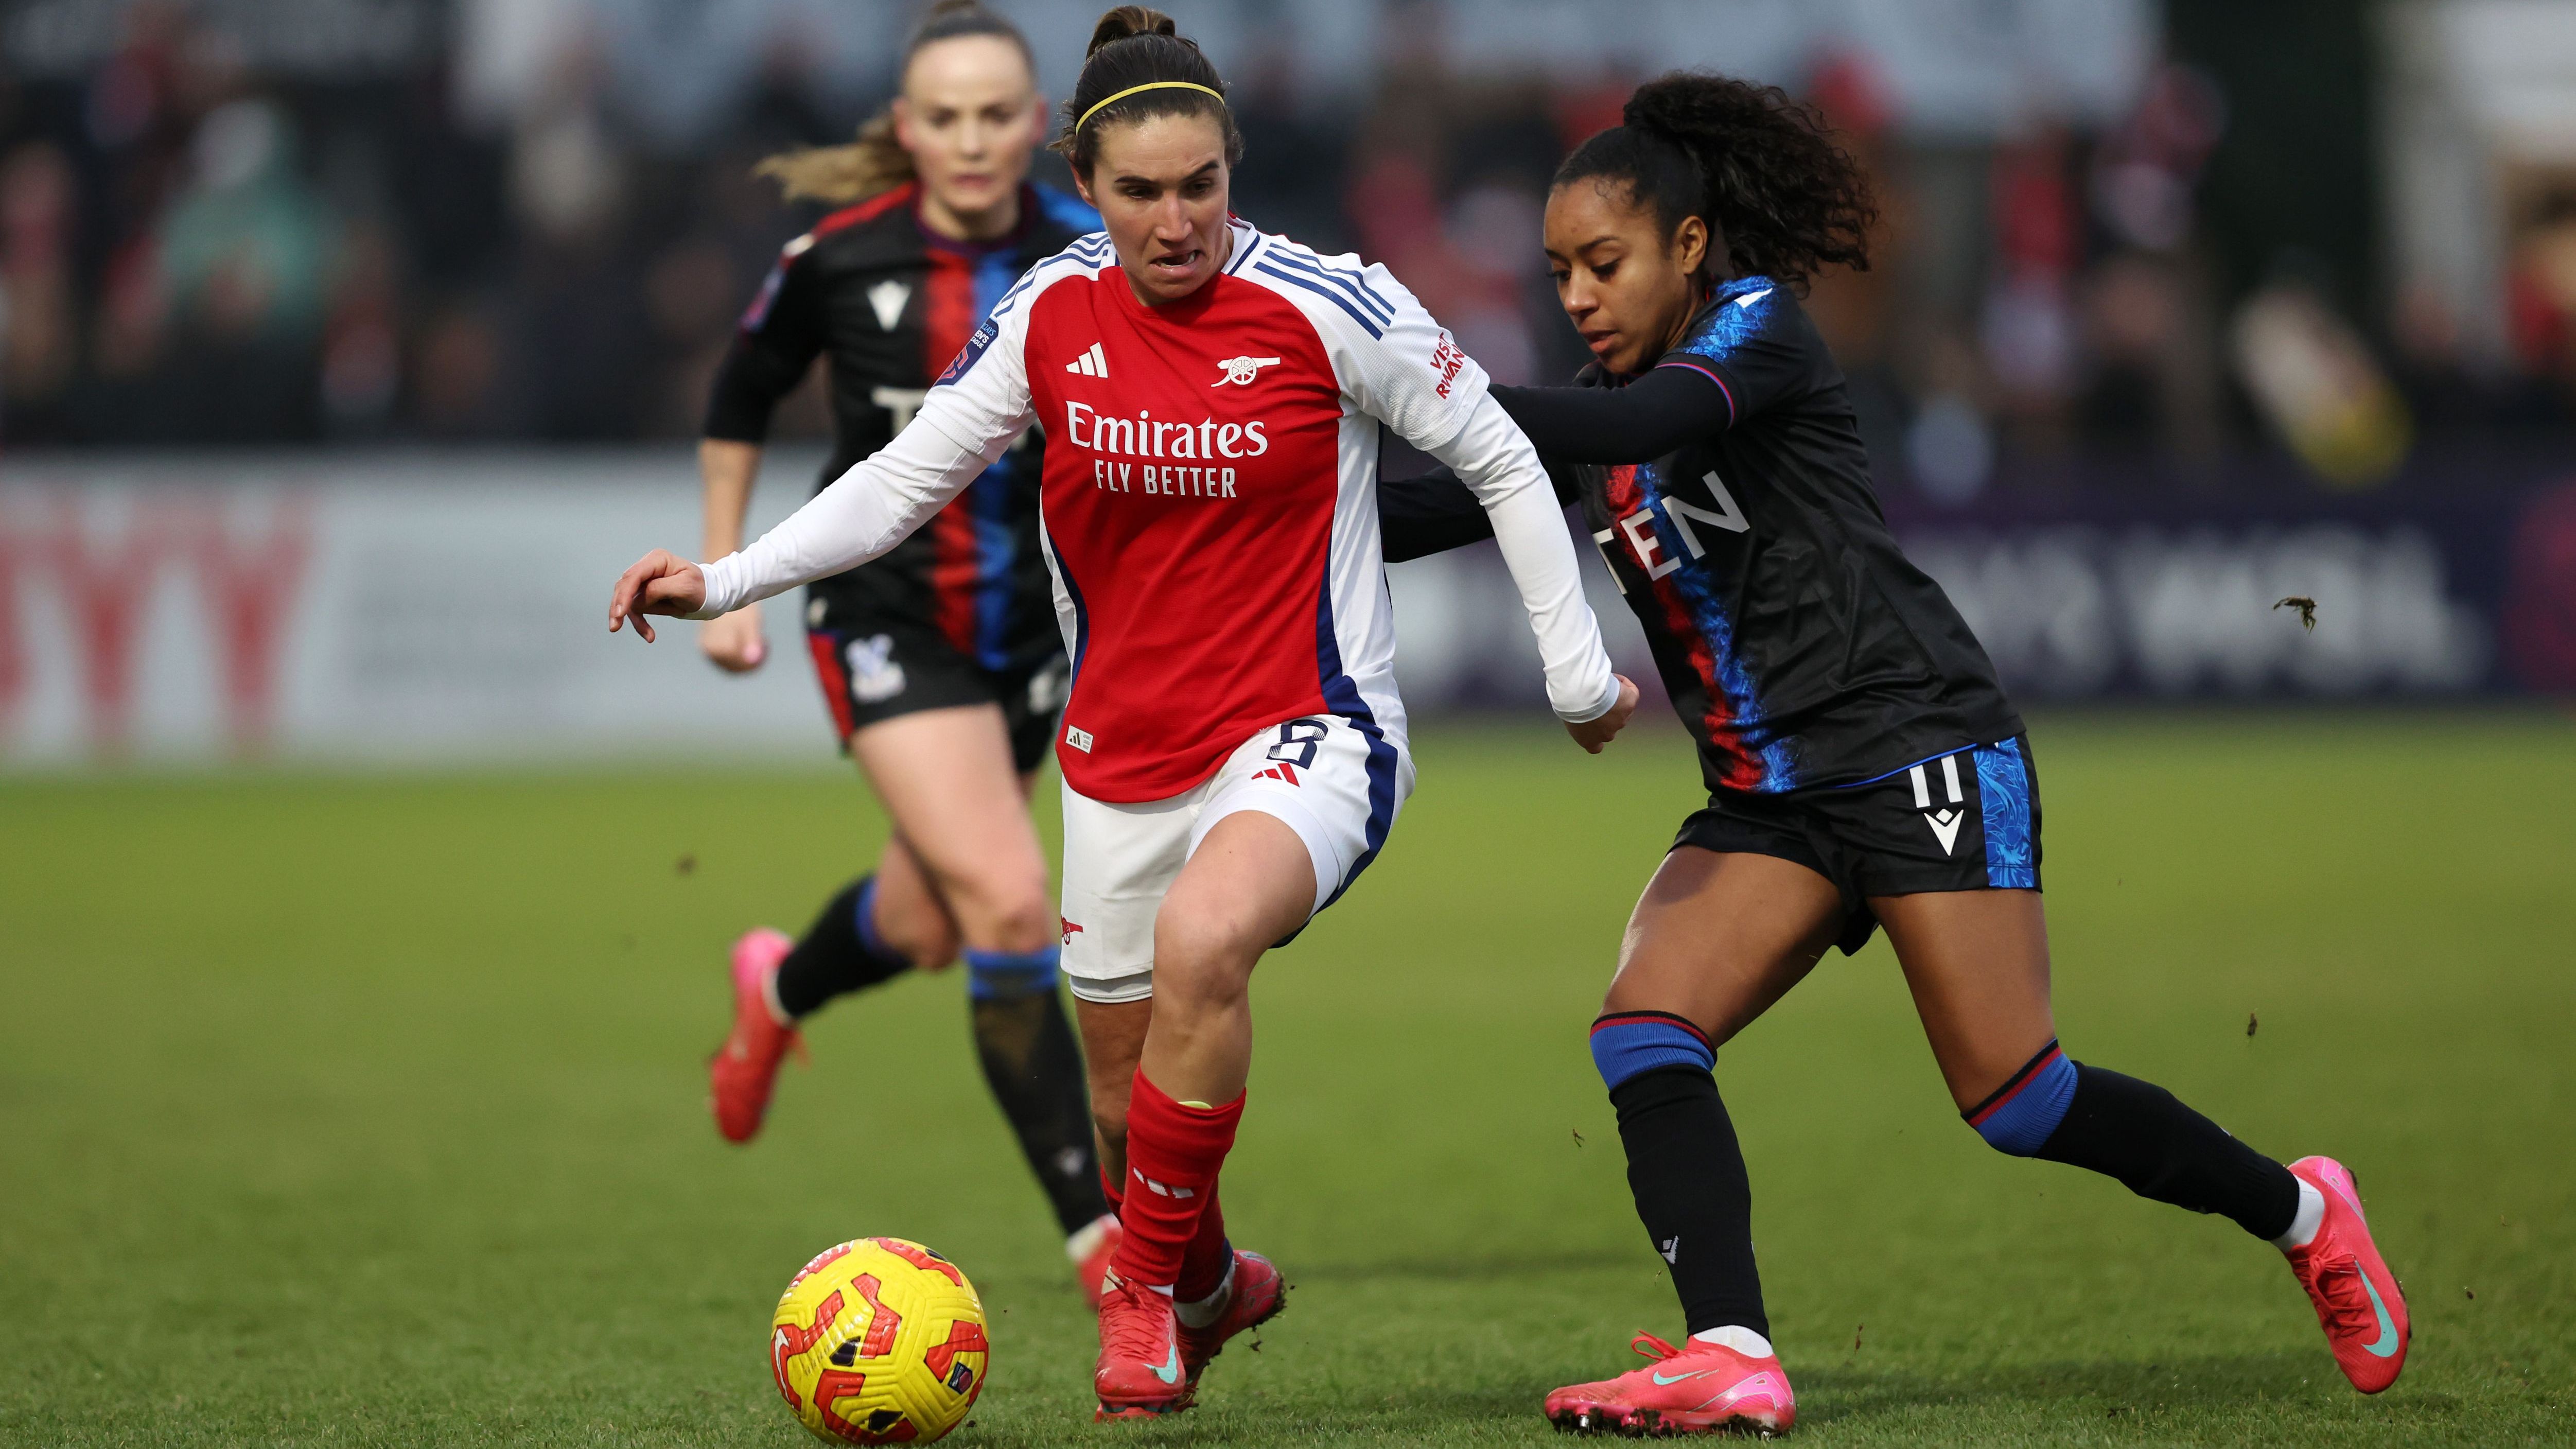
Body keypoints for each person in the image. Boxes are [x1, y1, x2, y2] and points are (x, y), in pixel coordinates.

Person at [613, 5, 1639, 1422]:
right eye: (1142, 193)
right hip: (1116, 760)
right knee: (1122, 1111)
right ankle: (1210, 1284)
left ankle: (1140, 1301)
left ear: (1232, 166)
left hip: (1310, 724)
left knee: (1203, 942)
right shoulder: (1047, 311)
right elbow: (900, 479)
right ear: (1086, 186)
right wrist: (721, 576)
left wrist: (1572, 669)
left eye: (1201, 185)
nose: (1177, 221)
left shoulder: (1328, 301)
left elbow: (1502, 458)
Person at [1378, 74, 2410, 1436]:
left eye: (1603, 263)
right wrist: (1252, 468)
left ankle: (2298, 1210)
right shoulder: (1602, 399)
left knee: (2017, 1097)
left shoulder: (1756, 336)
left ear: (1688, 249)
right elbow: (1416, 512)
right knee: (1642, 1030)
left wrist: (1418, 382)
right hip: (1766, 797)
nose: (1575, 292)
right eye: (1560, 268)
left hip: (1909, 742)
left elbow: (1618, 432)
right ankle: (1729, 1351)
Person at [692, 0, 1119, 1303]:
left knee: (931, 922)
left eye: (998, 115)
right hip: (884, 618)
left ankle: (780, 984)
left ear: (1037, 125)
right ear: (905, 128)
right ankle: (1104, 1243)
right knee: (1004, 903)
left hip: (1034, 641)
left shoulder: (1091, 259)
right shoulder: (837, 257)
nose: (973, 140)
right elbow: (739, 393)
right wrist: (725, 579)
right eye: (945, 117)